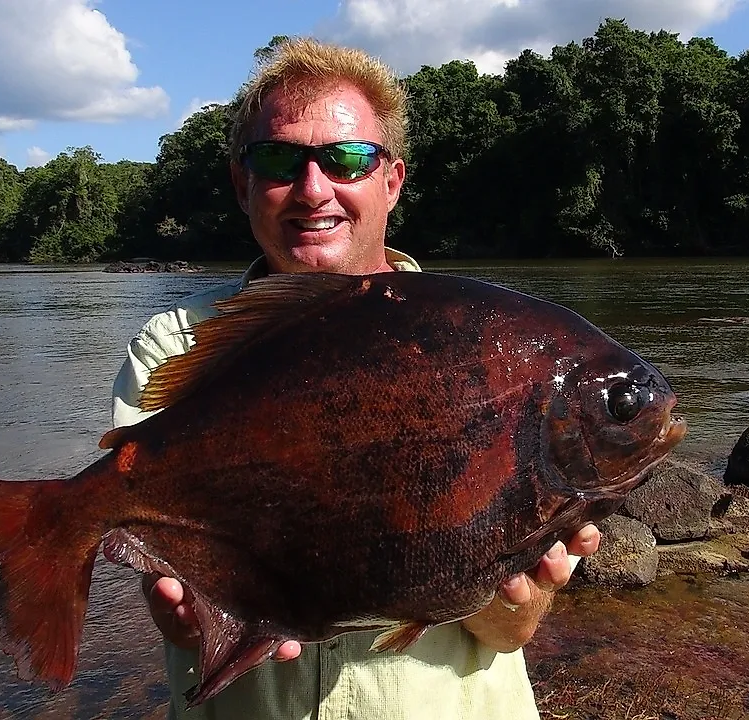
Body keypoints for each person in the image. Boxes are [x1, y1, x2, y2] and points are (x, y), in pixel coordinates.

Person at [110, 37, 601, 720]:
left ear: (392, 180)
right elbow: (165, 572)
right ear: (241, 183)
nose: (314, 190)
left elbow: (509, 632)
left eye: (346, 160)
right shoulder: (173, 349)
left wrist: (515, 602)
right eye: (279, 160)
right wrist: (191, 617)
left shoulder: (486, 350)